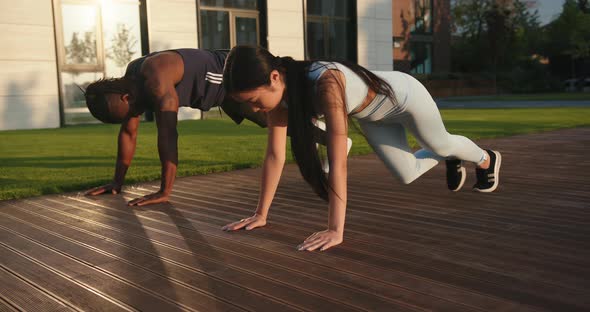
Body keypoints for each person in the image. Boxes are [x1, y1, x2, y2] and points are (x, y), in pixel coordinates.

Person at [220, 46, 502, 252]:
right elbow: (274, 156)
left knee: (440, 142)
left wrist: (335, 230)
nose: (255, 110)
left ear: (273, 78)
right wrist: (261, 214)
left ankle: (486, 159)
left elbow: (338, 160)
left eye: (255, 101)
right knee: (407, 173)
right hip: (373, 116)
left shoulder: (326, 82)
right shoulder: (280, 99)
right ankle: (450, 156)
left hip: (405, 97)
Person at [83, 48, 348, 206]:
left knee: (272, 117)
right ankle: (327, 136)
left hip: (225, 76)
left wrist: (165, 190)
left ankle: (331, 132)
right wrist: (117, 181)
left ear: (126, 98)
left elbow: (168, 134)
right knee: (272, 122)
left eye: (129, 112)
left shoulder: (154, 78)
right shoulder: (131, 82)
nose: (134, 116)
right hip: (215, 92)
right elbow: (128, 133)